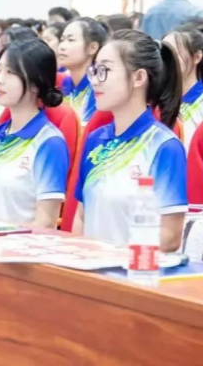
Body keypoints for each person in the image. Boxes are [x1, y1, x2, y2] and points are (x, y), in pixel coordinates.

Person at [72, 30, 187, 250]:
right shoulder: (96, 139)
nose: (94, 80)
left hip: (133, 267)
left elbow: (170, 236)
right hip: (91, 265)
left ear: (138, 77)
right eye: (94, 70)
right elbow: (81, 217)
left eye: (104, 70)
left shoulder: (164, 146)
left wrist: (117, 258)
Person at [0, 38, 69, 228]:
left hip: (18, 245)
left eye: (10, 72)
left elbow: (46, 222)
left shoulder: (50, 142)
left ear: (35, 84)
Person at [163, 21, 203, 151]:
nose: (166, 60)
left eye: (174, 53)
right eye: (164, 54)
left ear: (197, 57)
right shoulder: (153, 99)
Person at [59, 17, 108, 126]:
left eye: (71, 40)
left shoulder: (99, 85)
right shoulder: (66, 82)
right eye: (62, 40)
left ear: (92, 48)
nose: (62, 46)